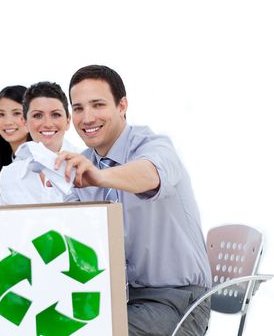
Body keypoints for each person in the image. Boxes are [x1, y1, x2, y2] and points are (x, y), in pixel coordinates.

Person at [55, 65, 211, 336]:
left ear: (122, 105)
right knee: (48, 324)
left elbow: (149, 174)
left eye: (98, 104)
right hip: (121, 299)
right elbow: (68, 229)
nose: (87, 117)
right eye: (78, 108)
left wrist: (100, 177)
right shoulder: (84, 166)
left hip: (179, 302)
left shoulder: (155, 146)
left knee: (89, 332)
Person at [0, 81, 77, 205]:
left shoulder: (87, 166)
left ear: (68, 121)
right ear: (24, 122)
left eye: (56, 115)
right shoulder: (9, 175)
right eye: (38, 115)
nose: (47, 124)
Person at [0, 85, 31, 205]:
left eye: (16, 113)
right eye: (1, 114)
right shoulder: (7, 163)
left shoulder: (38, 163)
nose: (8, 122)